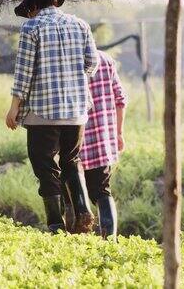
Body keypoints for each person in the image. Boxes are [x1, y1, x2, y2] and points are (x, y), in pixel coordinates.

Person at [6, 0, 99, 234]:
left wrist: (14, 107)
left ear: (33, 6)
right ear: (54, 3)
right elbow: (93, 63)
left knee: (44, 164)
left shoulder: (32, 27)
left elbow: (24, 72)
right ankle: (82, 210)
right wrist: (72, 78)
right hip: (76, 109)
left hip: (42, 111)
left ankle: (55, 225)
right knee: (71, 160)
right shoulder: (80, 25)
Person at [62, 50, 126, 240]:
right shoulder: (106, 59)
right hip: (101, 140)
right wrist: (119, 133)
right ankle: (110, 240)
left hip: (73, 139)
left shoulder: (67, 60)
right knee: (102, 192)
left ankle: (75, 240)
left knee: (69, 193)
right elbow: (120, 99)